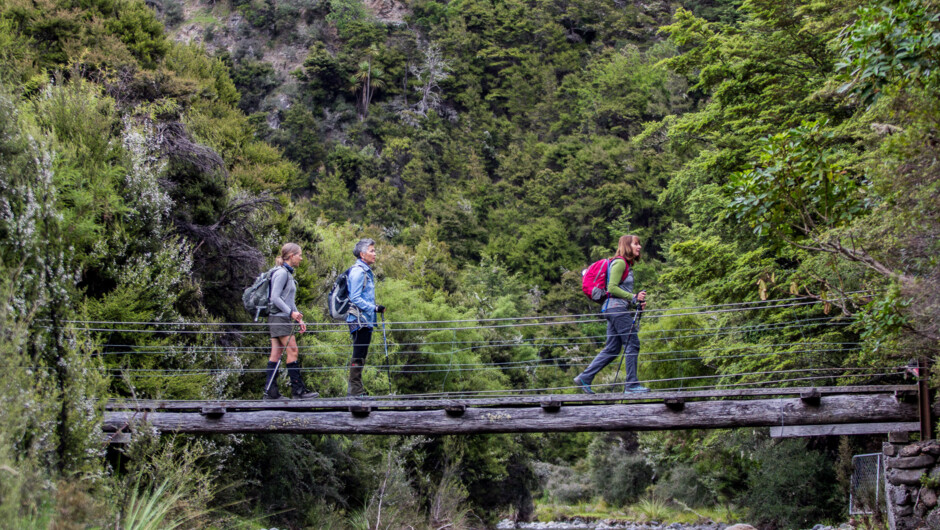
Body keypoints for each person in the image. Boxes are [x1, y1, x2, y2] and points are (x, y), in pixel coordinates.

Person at [573, 235, 649, 394]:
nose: (639, 247)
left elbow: (618, 292)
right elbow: (612, 288)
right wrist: (633, 297)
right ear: (627, 245)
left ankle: (584, 378)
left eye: (639, 244)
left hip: (613, 309)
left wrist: (635, 302)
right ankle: (632, 384)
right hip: (616, 310)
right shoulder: (620, 262)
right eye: (636, 244)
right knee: (632, 343)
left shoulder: (625, 264)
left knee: (613, 349)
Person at [262, 243, 319, 400]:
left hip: (281, 318)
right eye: (299, 255)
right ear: (291, 256)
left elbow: (288, 299)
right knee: (292, 351)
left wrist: (298, 318)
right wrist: (290, 313)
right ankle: (298, 392)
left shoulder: (287, 273)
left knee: (276, 353)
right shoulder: (281, 273)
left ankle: (271, 393)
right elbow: (275, 297)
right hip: (280, 318)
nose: (301, 258)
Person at [346, 238, 385, 398]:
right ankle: (355, 392)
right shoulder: (358, 271)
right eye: (371, 251)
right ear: (362, 254)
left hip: (365, 320)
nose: (375, 254)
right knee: (359, 354)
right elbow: (355, 297)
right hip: (359, 319)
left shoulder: (364, 271)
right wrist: (374, 308)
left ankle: (357, 390)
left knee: (361, 354)